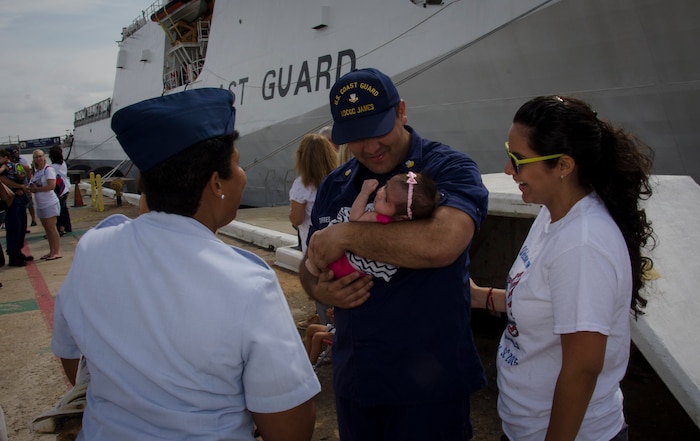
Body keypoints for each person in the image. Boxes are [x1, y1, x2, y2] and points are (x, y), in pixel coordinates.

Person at [51, 88, 320, 441]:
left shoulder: (93, 249)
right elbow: (289, 429)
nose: (243, 175)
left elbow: (74, 361)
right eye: (237, 164)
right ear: (215, 183)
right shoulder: (247, 282)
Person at [300, 68, 489, 440]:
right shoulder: (335, 185)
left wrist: (347, 234)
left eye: (378, 128)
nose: (369, 146)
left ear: (402, 111)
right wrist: (318, 290)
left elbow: (442, 243)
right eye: (355, 136)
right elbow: (311, 262)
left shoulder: (448, 168)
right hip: (357, 382)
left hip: (427, 389)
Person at [470, 95, 655, 441]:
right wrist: (478, 297)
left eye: (518, 160)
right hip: (526, 427)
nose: (509, 169)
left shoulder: (583, 245)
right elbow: (542, 304)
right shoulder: (552, 213)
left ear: (564, 166)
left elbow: (582, 369)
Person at [305, 171, 439, 280]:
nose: (380, 194)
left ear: (401, 217)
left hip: (346, 264)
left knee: (316, 236)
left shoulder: (380, 219)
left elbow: (354, 218)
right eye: (385, 186)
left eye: (386, 199)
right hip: (353, 268)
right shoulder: (393, 221)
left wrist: (364, 193)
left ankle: (313, 266)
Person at [289, 132, 338, 328]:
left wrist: (291, 215)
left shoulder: (302, 184)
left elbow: (297, 218)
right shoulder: (338, 178)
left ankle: (327, 332)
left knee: (321, 292)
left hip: (314, 248)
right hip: (338, 243)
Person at [0, 149, 33, 266]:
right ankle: (13, 255)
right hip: (11, 201)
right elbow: (3, 180)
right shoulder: (5, 168)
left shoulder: (13, 166)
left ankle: (18, 251)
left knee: (21, 227)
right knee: (14, 228)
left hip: (19, 200)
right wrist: (20, 186)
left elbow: (27, 170)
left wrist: (22, 187)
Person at [28, 150, 62, 260]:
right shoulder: (37, 172)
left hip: (49, 202)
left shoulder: (48, 170)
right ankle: (51, 251)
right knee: (47, 229)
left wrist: (37, 189)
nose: (38, 159)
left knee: (52, 228)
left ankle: (56, 251)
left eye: (40, 156)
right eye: (36, 157)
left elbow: (51, 186)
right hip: (40, 204)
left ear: (44, 157)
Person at [48, 145, 72, 236]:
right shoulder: (63, 164)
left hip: (59, 190)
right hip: (66, 187)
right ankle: (67, 227)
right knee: (64, 209)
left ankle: (61, 229)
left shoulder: (52, 167)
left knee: (59, 211)